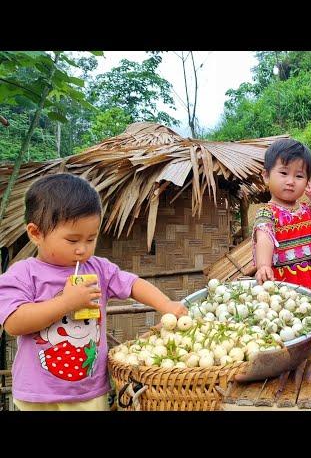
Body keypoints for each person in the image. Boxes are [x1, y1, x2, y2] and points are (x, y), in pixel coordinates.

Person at [0, 173, 188, 411]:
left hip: (88, 393)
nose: (82, 249)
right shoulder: (23, 273)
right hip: (38, 394)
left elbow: (132, 284)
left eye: (91, 238)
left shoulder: (98, 268)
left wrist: (166, 305)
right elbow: (14, 323)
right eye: (72, 240)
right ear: (36, 233)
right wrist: (66, 303)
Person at [252, 138, 311, 305]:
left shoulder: (308, 210)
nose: (291, 181)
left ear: (307, 181)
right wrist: (263, 266)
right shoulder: (267, 213)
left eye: (299, 175)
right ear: (266, 176)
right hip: (286, 288)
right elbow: (264, 239)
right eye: (283, 173)